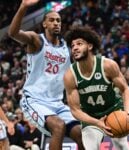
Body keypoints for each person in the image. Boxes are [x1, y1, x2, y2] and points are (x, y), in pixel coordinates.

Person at [8, 0, 85, 150]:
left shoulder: (67, 49)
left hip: (57, 103)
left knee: (82, 133)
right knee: (58, 126)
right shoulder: (36, 40)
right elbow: (13, 33)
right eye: (52, 20)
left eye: (58, 20)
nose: (56, 23)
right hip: (34, 100)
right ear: (44, 24)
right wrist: (23, 7)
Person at [64, 26, 129, 150]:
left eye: (79, 44)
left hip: (113, 111)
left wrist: (127, 111)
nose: (74, 48)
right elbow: (75, 110)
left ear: (90, 46)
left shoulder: (108, 65)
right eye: (72, 45)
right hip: (91, 117)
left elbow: (125, 89)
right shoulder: (70, 75)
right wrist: (97, 122)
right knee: (90, 148)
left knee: (121, 145)